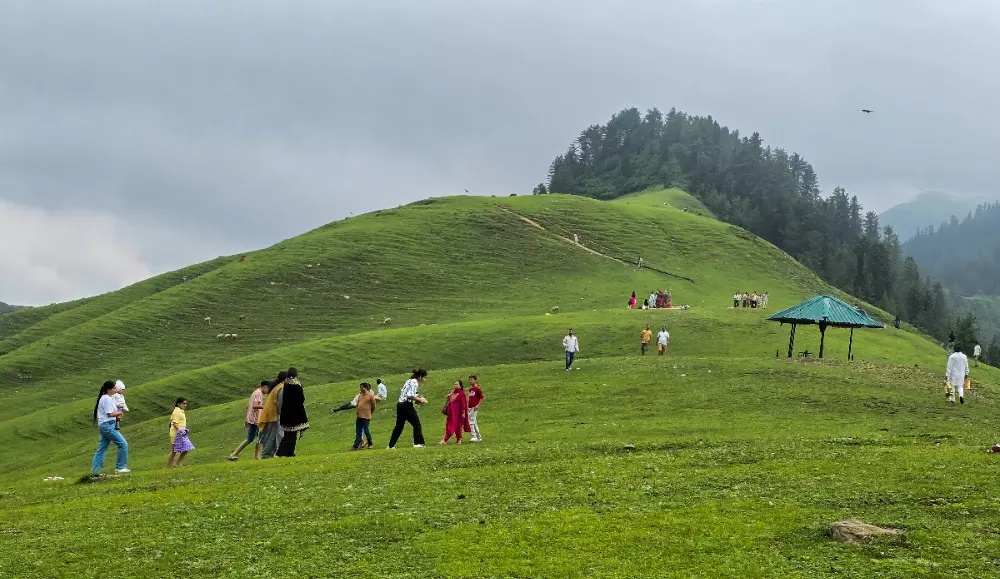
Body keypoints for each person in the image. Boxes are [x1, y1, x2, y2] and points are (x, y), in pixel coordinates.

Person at [91, 381, 129, 475]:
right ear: (109, 390)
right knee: (123, 444)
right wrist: (119, 413)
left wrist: (117, 413)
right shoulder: (106, 399)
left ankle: (95, 472)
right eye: (114, 388)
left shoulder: (108, 398)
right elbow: (110, 413)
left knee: (102, 448)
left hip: (106, 425)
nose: (116, 390)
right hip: (107, 425)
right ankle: (120, 468)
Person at [388, 368, 429, 449]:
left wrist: (418, 399)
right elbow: (410, 395)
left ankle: (391, 445)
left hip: (400, 405)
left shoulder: (409, 381)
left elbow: (410, 395)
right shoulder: (415, 382)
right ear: (420, 376)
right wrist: (421, 400)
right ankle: (417, 443)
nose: (424, 379)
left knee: (399, 426)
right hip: (406, 405)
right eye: (424, 377)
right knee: (417, 424)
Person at [228, 380, 270, 461]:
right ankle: (234, 454)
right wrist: (265, 407)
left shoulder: (256, 392)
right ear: (265, 387)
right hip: (255, 420)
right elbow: (255, 406)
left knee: (257, 438)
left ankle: (256, 457)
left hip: (253, 419)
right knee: (252, 438)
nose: (268, 391)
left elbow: (249, 405)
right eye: (268, 389)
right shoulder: (258, 393)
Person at [277, 367, 309, 457]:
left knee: (288, 434)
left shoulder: (286, 384)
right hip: (294, 414)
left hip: (286, 413)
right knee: (292, 435)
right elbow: (301, 398)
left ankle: (289, 452)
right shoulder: (297, 384)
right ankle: (283, 452)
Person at [258, 370, 288, 459]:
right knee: (279, 434)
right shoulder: (281, 388)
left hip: (271, 415)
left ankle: (267, 455)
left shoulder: (277, 387)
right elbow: (281, 403)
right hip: (275, 415)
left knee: (272, 436)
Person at [440, 379, 471, 445]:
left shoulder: (461, 394)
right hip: (451, 413)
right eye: (454, 384)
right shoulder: (453, 392)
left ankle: (444, 440)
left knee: (452, 426)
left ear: (460, 386)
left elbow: (463, 404)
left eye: (456, 384)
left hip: (457, 413)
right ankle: (459, 440)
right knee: (457, 426)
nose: (455, 385)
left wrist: (463, 413)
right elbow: (449, 401)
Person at [168, 398, 194, 467]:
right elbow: (175, 423)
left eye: (186, 404)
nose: (185, 405)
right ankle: (169, 466)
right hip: (176, 433)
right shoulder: (177, 412)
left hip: (182, 433)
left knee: (187, 448)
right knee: (174, 451)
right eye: (183, 403)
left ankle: (177, 463)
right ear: (178, 404)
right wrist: (181, 430)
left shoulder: (180, 411)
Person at [354, 383, 376, 449]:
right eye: (360, 387)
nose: (360, 389)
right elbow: (358, 404)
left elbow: (373, 406)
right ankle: (356, 445)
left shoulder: (370, 395)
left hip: (366, 416)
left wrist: (370, 413)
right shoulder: (360, 396)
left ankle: (370, 443)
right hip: (359, 416)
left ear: (365, 388)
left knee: (366, 430)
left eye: (361, 387)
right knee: (358, 431)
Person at [467, 375, 484, 443]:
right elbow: (469, 399)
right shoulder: (470, 389)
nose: (470, 381)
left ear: (475, 380)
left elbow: (482, 398)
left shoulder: (478, 389)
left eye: (471, 380)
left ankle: (473, 436)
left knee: (471, 421)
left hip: (475, 408)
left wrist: (477, 405)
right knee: (474, 422)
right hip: (470, 408)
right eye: (469, 380)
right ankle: (479, 437)